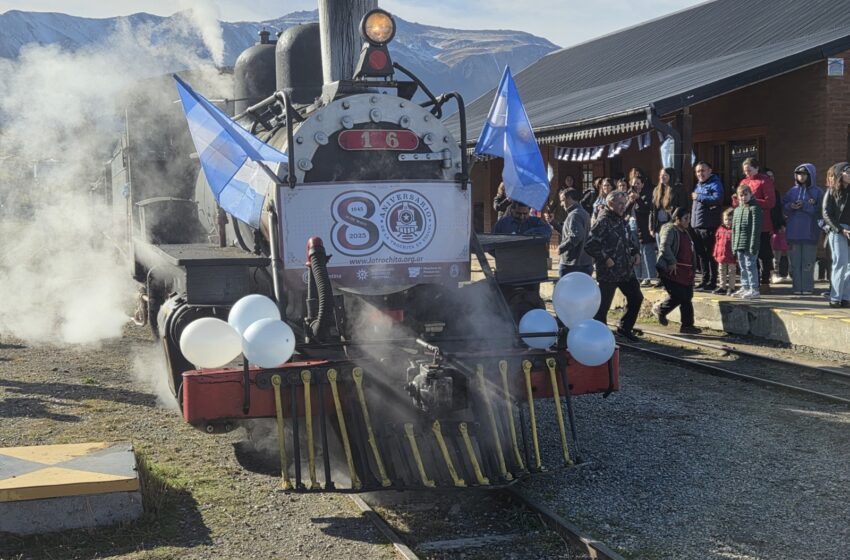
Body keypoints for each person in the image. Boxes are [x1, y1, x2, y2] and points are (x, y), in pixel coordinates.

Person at [585, 191, 644, 341]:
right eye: (620, 203)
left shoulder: (621, 220)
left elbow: (627, 240)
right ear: (610, 204)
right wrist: (605, 258)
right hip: (609, 272)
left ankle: (625, 328)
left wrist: (635, 252)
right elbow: (590, 245)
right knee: (603, 306)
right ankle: (599, 335)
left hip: (625, 270)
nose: (623, 206)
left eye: (624, 203)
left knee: (636, 298)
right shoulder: (603, 220)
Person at [653, 207, 700, 334]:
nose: (688, 221)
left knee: (687, 297)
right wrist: (672, 261)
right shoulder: (670, 229)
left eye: (689, 218)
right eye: (685, 218)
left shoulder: (686, 232)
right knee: (678, 295)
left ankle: (687, 325)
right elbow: (664, 246)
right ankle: (661, 310)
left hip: (686, 271)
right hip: (672, 269)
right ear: (677, 219)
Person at [734, 157, 776, 293]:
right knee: (745, 257)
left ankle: (763, 282)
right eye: (745, 171)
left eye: (749, 170)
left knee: (763, 254)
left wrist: (752, 200)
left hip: (761, 223)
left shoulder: (764, 180)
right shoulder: (744, 181)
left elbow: (770, 202)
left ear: (757, 168)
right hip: (745, 224)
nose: (747, 173)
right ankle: (748, 285)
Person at [784, 164, 822, 295]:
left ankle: (807, 287)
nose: (801, 176)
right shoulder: (791, 191)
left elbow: (821, 211)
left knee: (808, 262)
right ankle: (796, 287)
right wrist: (791, 206)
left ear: (811, 175)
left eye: (804, 174)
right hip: (794, 232)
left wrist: (805, 205)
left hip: (810, 232)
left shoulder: (818, 192)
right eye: (798, 174)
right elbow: (784, 207)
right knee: (795, 263)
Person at [690, 161, 724, 290]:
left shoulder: (715, 183)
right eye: (698, 171)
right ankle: (704, 279)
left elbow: (718, 198)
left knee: (710, 255)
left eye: (703, 170)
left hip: (708, 225)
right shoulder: (699, 185)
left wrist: (699, 196)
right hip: (697, 225)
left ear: (710, 170)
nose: (700, 173)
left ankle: (712, 281)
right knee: (701, 255)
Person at [822, 161, 850, 308]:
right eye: (848, 171)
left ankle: (846, 297)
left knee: (849, 266)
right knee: (840, 263)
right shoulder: (832, 191)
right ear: (841, 174)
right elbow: (826, 213)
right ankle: (835, 297)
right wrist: (840, 229)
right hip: (838, 230)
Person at [732, 184, 763, 299]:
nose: (743, 197)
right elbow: (734, 229)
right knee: (742, 267)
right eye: (741, 195)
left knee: (751, 266)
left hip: (750, 243)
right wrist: (734, 245)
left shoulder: (755, 208)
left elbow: (756, 228)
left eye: (746, 195)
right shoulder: (737, 210)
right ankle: (745, 287)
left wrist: (753, 244)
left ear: (751, 194)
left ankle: (754, 289)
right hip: (739, 243)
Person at [629, 172, 658, 286]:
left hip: (645, 226)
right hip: (632, 225)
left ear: (642, 184)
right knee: (635, 251)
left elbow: (646, 209)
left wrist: (638, 199)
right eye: (634, 183)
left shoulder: (647, 194)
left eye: (638, 183)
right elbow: (626, 210)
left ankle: (648, 276)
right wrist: (630, 200)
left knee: (646, 251)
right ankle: (638, 276)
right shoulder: (630, 194)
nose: (636, 185)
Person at [557, 188, 592, 276]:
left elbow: (575, 236)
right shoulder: (583, 213)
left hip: (572, 263)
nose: (561, 204)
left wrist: (561, 248)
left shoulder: (575, 215)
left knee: (566, 289)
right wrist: (553, 222)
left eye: (562, 201)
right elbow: (569, 233)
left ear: (569, 199)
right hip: (583, 261)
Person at [650, 167, 688, 243]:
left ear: (671, 176)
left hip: (672, 225)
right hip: (659, 226)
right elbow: (652, 211)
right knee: (661, 251)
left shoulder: (678, 188)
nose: (662, 177)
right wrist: (652, 228)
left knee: (669, 250)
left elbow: (682, 206)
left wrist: (672, 220)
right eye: (660, 174)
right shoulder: (656, 190)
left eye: (665, 175)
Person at [713, 207, 737, 295]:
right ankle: (722, 286)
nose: (727, 221)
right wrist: (715, 252)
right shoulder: (720, 229)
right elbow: (717, 242)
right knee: (721, 271)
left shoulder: (734, 230)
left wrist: (736, 254)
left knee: (732, 271)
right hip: (721, 254)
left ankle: (731, 287)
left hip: (731, 254)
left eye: (730, 219)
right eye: (726, 219)